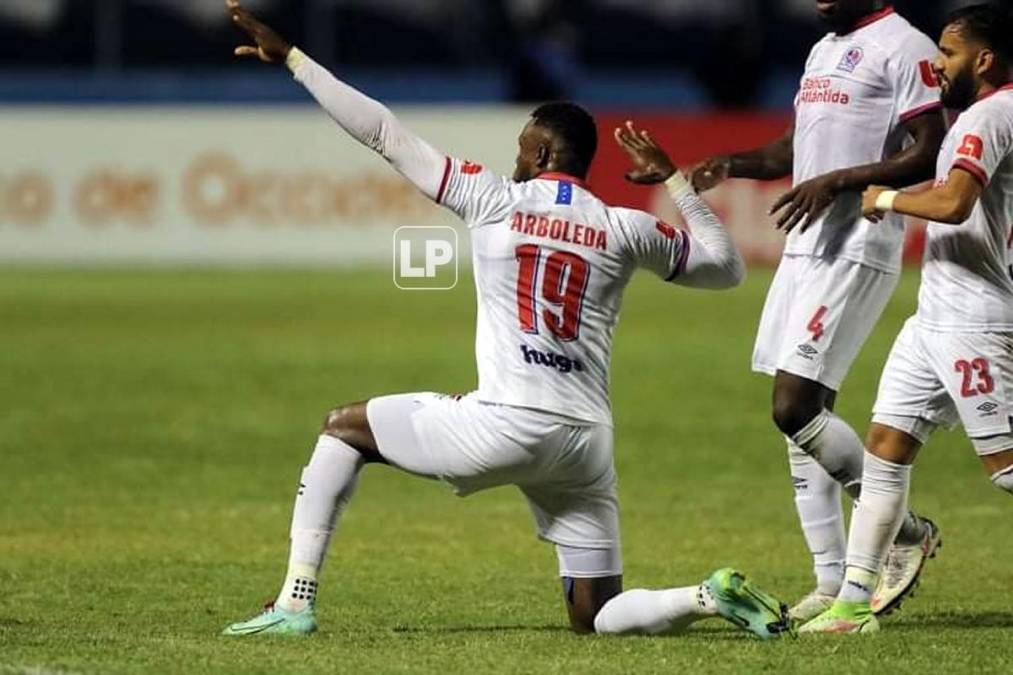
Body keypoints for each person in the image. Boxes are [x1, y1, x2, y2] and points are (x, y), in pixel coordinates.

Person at [220, 0, 790, 639]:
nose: (514, 160)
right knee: (596, 615)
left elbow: (382, 132)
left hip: (505, 424)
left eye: (522, 150)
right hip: (584, 441)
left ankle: (294, 602)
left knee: (343, 431)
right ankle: (705, 596)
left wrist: (296, 60)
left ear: (543, 151)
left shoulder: (493, 199)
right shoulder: (624, 226)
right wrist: (677, 184)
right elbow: (726, 268)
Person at [690, 0, 947, 621]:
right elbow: (795, 146)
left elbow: (929, 150)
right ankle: (830, 581)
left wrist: (838, 181)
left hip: (859, 241)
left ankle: (904, 531)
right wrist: (736, 164)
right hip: (804, 248)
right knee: (803, 420)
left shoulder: (904, 45)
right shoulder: (824, 48)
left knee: (793, 405)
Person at [802, 3, 1013, 635]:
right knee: (887, 448)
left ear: (983, 58)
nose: (938, 65)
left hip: (974, 318)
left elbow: (952, 203)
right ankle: (852, 605)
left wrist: (887, 197)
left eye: (949, 54)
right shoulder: (986, 113)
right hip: (936, 314)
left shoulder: (989, 114)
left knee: (1005, 469)